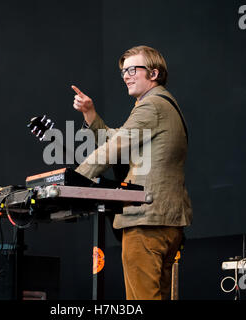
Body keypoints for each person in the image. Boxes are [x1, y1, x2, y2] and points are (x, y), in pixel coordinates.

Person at [71, 45, 192, 300]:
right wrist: (91, 115)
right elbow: (121, 140)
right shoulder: (163, 104)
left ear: (154, 73)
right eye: (124, 71)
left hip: (146, 221)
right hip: (166, 222)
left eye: (133, 69)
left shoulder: (151, 106)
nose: (126, 75)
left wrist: (70, 183)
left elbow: (115, 148)